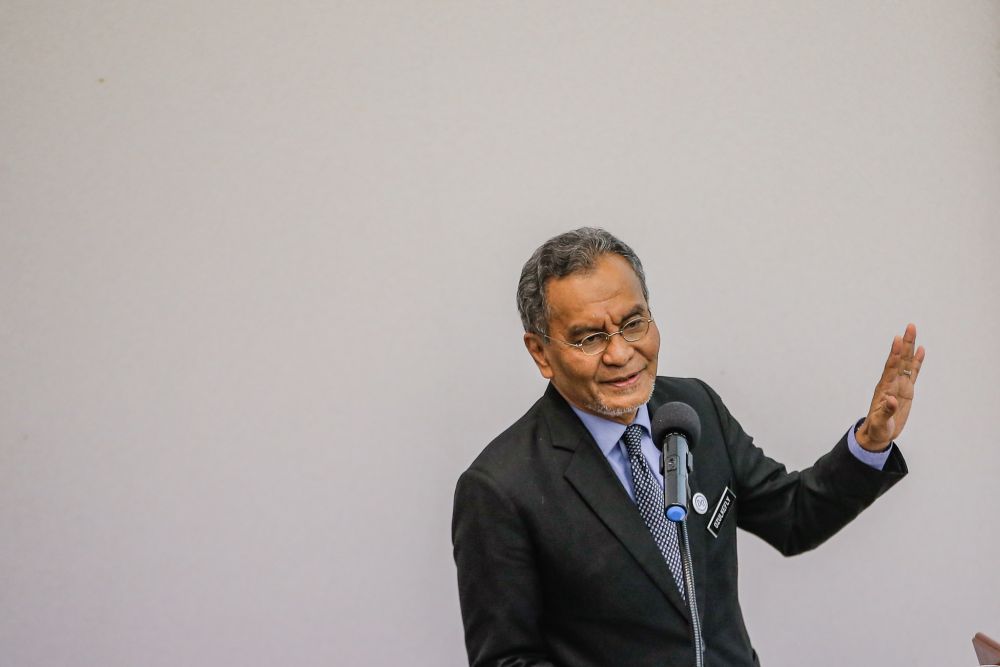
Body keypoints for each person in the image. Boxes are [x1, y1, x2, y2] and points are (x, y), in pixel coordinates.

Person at [451, 228, 924, 667]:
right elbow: (507, 661)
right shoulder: (499, 488)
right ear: (540, 353)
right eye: (589, 338)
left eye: (633, 323)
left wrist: (870, 443)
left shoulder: (694, 406)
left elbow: (793, 517)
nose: (620, 354)